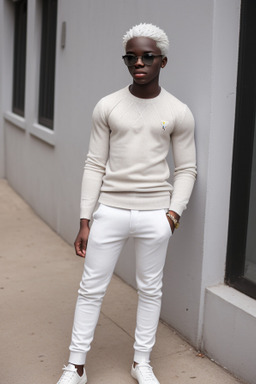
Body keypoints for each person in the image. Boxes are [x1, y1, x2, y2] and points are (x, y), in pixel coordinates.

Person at [57, 23, 197, 384]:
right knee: (91, 288)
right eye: (131, 57)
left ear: (163, 62)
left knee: (150, 290)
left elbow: (187, 169)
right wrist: (86, 219)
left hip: (156, 214)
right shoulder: (108, 106)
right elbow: (93, 163)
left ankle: (141, 362)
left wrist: (172, 215)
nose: (139, 62)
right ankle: (75, 366)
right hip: (111, 212)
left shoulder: (178, 111)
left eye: (147, 57)